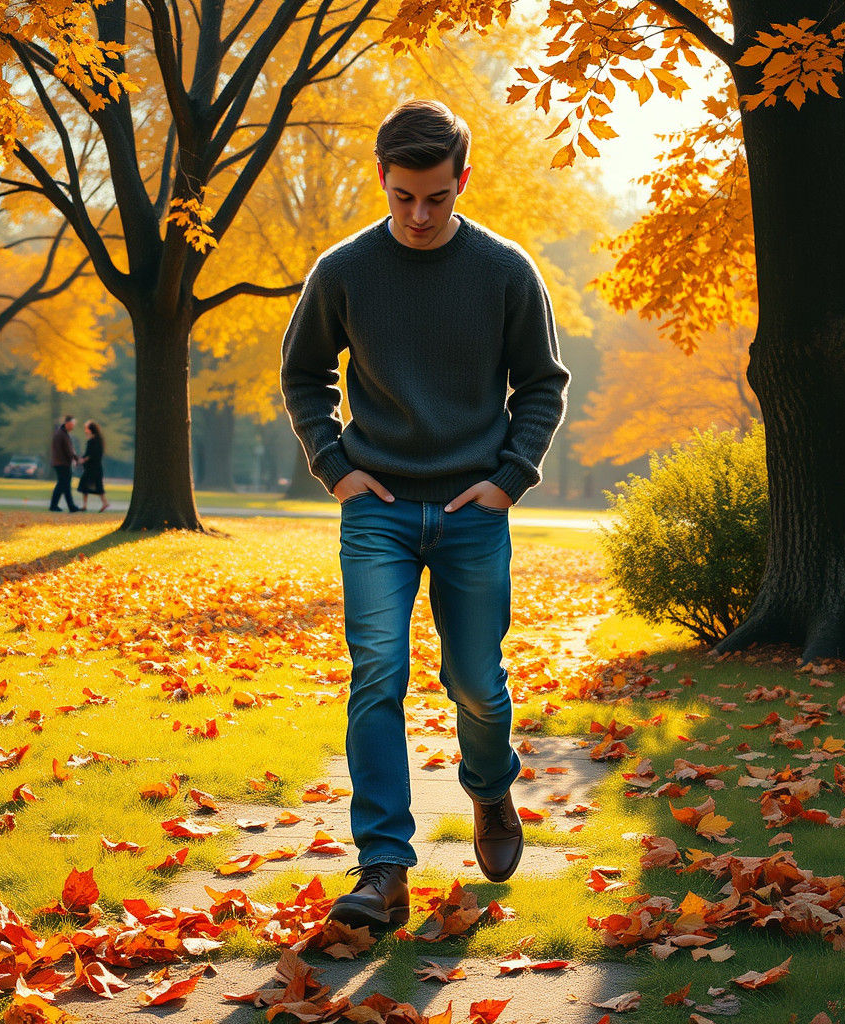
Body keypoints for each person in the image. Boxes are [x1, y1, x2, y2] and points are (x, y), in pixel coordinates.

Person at [281, 100, 569, 931]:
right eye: (404, 195)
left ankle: (489, 788)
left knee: (476, 683)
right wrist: (332, 465)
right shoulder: (343, 270)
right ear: (383, 180)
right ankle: (383, 869)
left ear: (461, 183)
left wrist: (511, 477)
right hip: (377, 508)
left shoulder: (506, 271)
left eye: (436, 198)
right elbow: (303, 375)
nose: (418, 214)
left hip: (474, 506)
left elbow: (542, 382)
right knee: (377, 674)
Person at [49, 415, 80, 513]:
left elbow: (68, 449)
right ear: (67, 423)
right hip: (62, 463)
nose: (73, 427)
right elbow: (68, 450)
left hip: (61, 463)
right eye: (72, 424)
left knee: (64, 485)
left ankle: (69, 506)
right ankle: (56, 506)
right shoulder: (62, 434)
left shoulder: (62, 433)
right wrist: (76, 459)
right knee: (63, 484)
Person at [77, 420, 109, 512]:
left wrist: (84, 459)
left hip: (92, 468)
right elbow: (88, 454)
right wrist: (82, 459)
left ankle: (86, 505)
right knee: (91, 485)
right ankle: (89, 505)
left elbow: (92, 454)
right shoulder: (97, 440)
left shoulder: (93, 441)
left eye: (86, 428)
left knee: (86, 484)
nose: (85, 430)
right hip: (94, 467)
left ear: (90, 430)